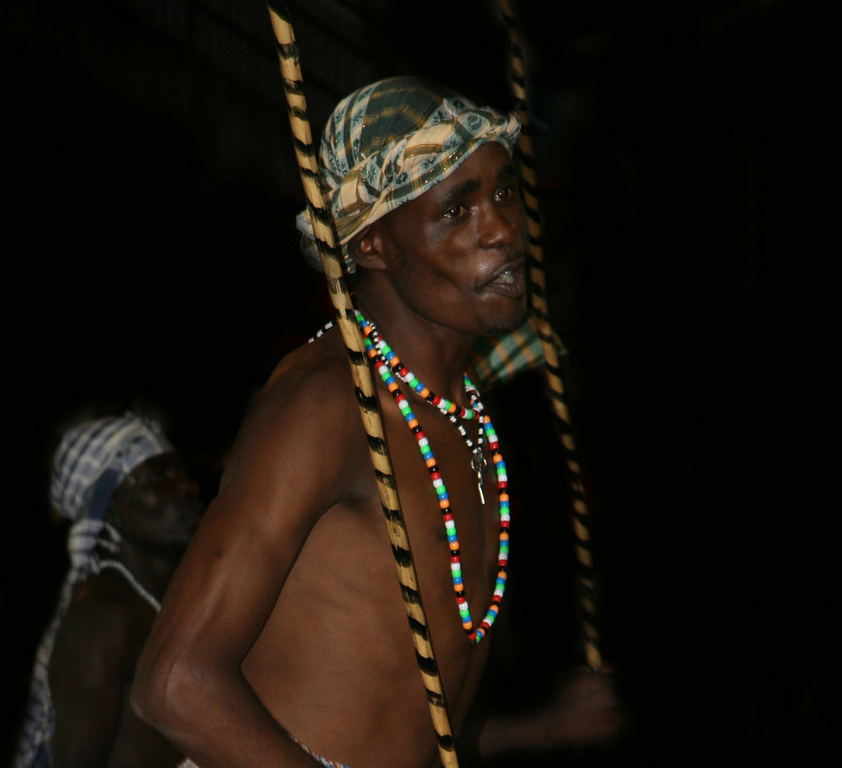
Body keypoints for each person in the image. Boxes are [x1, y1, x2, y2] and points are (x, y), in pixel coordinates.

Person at [131, 76, 622, 768]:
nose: (504, 230)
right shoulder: (327, 405)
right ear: (371, 247)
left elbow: (396, 720)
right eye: (457, 210)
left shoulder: (466, 411)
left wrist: (542, 731)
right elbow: (174, 684)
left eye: (504, 191)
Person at [14, 413, 204, 768]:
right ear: (111, 511)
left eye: (180, 470)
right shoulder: (103, 615)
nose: (188, 486)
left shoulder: (175, 596)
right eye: (159, 476)